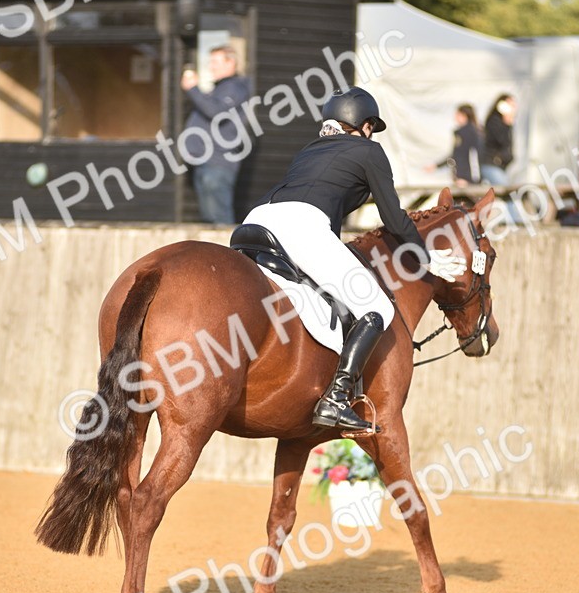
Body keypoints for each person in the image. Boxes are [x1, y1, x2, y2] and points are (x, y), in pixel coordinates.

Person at [240, 87, 463, 433]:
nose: (372, 133)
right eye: (371, 126)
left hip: (256, 222)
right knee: (378, 308)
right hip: (300, 227)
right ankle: (337, 398)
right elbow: (393, 217)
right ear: (360, 123)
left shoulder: (309, 150)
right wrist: (423, 257)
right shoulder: (369, 151)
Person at [181, 45, 252, 224]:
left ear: (231, 62)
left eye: (215, 61)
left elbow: (216, 111)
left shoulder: (235, 87)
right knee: (209, 220)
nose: (211, 66)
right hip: (207, 162)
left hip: (218, 163)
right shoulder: (221, 88)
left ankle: (227, 252)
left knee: (220, 221)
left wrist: (193, 89)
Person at [429, 104, 484, 186]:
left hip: (467, 180)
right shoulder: (463, 132)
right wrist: (437, 166)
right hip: (460, 179)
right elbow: (455, 156)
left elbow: (473, 157)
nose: (455, 117)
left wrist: (469, 179)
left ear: (464, 116)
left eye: (457, 114)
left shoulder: (470, 133)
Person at [481, 94, 516, 186]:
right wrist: (507, 124)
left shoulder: (505, 124)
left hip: (500, 165)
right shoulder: (494, 121)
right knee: (508, 194)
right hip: (491, 163)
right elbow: (501, 140)